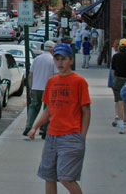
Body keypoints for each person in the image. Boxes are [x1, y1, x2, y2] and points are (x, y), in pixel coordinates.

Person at [28, 43, 91, 194]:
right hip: (51, 136)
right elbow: (49, 109)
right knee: (49, 176)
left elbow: (86, 111)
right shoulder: (51, 81)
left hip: (71, 136)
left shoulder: (79, 81)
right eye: (57, 59)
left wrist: (82, 137)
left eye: (64, 59)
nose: (60, 63)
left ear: (71, 60)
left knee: (66, 178)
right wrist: (34, 127)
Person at [25, 41, 57, 137]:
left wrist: (31, 87)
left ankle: (28, 126)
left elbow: (30, 75)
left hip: (36, 87)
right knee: (47, 109)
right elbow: (56, 75)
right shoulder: (53, 60)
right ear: (52, 49)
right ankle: (44, 129)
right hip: (48, 89)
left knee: (34, 107)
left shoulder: (37, 59)